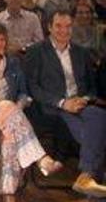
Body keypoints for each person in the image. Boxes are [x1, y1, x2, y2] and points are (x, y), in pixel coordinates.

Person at [0, 22, 63, 201]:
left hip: (10, 117)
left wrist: (19, 107)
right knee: (8, 108)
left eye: (2, 39)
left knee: (10, 134)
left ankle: (8, 194)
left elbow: (24, 93)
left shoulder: (14, 63)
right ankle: (41, 158)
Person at [24, 10, 106, 198]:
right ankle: (90, 184)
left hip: (80, 105)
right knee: (97, 131)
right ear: (49, 27)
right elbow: (33, 87)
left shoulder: (81, 52)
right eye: (59, 26)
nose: (64, 30)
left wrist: (83, 100)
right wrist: (62, 103)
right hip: (52, 107)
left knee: (100, 116)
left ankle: (87, 178)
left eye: (68, 26)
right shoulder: (36, 51)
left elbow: (92, 88)